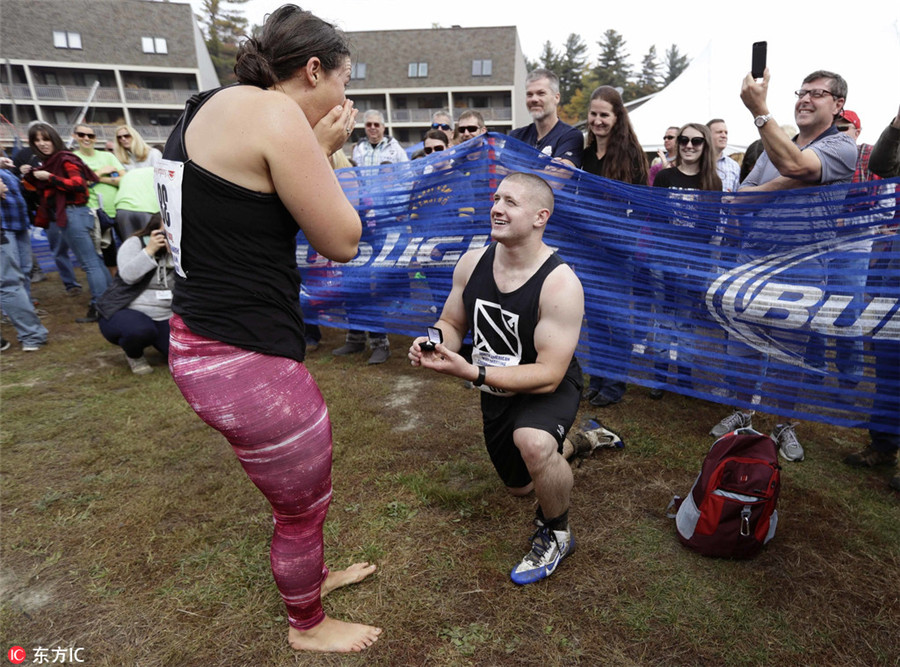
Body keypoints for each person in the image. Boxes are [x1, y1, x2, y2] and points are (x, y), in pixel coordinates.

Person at [161, 5, 380, 652]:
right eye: (344, 81)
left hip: (200, 339)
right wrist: (328, 155)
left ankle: (311, 579)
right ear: (314, 70)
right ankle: (306, 624)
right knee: (301, 506)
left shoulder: (204, 106)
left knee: (300, 500)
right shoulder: (278, 113)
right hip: (243, 358)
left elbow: (236, 208)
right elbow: (343, 238)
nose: (345, 98)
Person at [408, 172, 585, 585]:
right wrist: (434, 341)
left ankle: (557, 533)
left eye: (511, 202)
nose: (496, 208)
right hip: (495, 386)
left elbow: (548, 374)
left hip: (547, 384)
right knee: (520, 487)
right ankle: (580, 443)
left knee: (534, 442)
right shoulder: (473, 262)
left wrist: (472, 371)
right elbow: (451, 321)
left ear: (540, 216)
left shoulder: (560, 283)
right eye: (496, 198)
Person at [709, 68, 857, 462]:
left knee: (790, 354)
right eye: (801, 92)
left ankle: (783, 425)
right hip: (753, 262)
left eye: (818, 93)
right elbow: (741, 198)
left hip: (802, 269)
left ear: (838, 104)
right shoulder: (780, 147)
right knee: (741, 345)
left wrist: (761, 113)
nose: (805, 99)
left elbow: (794, 167)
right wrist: (793, 179)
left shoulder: (843, 147)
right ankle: (742, 413)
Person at [579, 85, 649, 407]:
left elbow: (643, 205)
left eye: (603, 114)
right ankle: (598, 377)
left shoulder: (632, 155)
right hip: (588, 248)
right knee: (594, 315)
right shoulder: (584, 155)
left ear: (617, 117)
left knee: (618, 317)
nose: (597, 120)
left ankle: (615, 384)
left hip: (619, 251)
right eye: (593, 114)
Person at [842, 102, 900, 492]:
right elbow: (882, 160)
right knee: (889, 359)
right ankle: (883, 444)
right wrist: (896, 126)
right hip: (892, 269)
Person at [650, 123, 722, 398]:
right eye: (684, 140)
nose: (689, 145)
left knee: (687, 319)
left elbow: (710, 227)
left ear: (706, 146)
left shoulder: (713, 182)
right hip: (663, 257)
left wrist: (692, 262)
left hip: (693, 261)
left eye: (696, 141)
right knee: (662, 317)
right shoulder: (665, 177)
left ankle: (684, 376)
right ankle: (659, 377)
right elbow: (656, 219)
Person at [20, 123, 112, 323]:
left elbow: (79, 185)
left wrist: (50, 177)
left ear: (54, 138)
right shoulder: (53, 161)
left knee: (89, 262)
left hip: (73, 214)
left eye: (46, 139)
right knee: (94, 260)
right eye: (37, 141)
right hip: (72, 215)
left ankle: (100, 305)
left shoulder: (64, 159)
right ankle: (110, 301)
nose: (42, 144)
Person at [340, 108, 409, 363]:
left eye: (376, 124)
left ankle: (381, 342)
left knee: (373, 283)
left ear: (383, 126)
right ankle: (355, 338)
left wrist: (394, 209)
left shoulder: (395, 150)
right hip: (354, 220)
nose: (372, 128)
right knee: (351, 282)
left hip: (380, 224)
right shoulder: (356, 149)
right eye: (367, 124)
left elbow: (406, 179)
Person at [95, 214, 173, 374]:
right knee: (139, 330)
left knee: (180, 354)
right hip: (126, 308)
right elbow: (128, 276)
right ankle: (134, 355)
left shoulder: (183, 251)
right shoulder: (135, 243)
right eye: (167, 230)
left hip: (165, 313)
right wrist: (149, 250)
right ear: (154, 230)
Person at [1, 176, 48, 351]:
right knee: (9, 282)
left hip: (17, 224)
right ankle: (32, 336)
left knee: (17, 277)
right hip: (4, 229)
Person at [72, 123, 124, 273]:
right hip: (94, 212)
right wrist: (101, 172)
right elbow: (77, 184)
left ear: (95, 138)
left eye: (91, 135)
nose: (86, 138)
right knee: (108, 252)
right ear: (75, 137)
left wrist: (93, 177)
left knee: (131, 244)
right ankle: (114, 286)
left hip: (118, 208)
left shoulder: (108, 155)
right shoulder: (73, 158)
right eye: (82, 135)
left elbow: (123, 179)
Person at [509, 69, 583, 168]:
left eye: (541, 93)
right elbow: (500, 173)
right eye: (529, 94)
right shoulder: (516, 137)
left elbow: (558, 178)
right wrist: (545, 169)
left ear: (556, 98)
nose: (534, 99)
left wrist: (517, 170)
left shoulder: (571, 137)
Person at [706, 118, 741, 192]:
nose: (724, 135)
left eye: (726, 132)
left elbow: (736, 195)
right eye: (719, 132)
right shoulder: (696, 162)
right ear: (707, 135)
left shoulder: (734, 166)